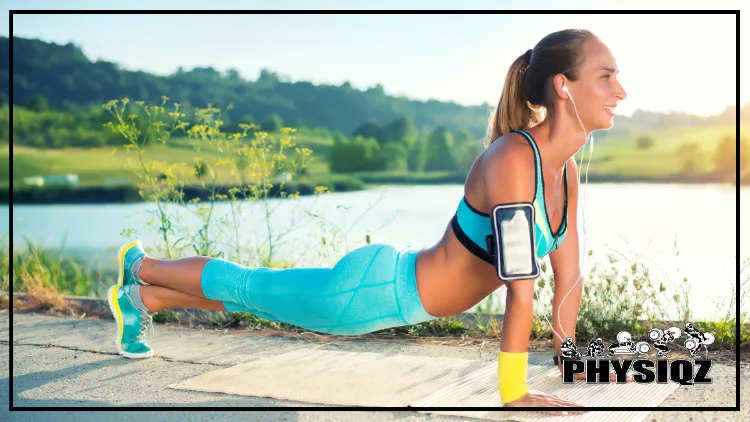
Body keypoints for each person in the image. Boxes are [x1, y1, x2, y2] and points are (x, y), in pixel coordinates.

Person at [106, 28, 627, 415]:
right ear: (563, 85)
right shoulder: (514, 159)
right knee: (249, 285)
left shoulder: (565, 175)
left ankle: (142, 299)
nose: (620, 91)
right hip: (369, 294)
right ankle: (143, 265)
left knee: (253, 295)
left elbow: (568, 282)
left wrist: (571, 364)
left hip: (386, 289)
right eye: (606, 76)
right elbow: (520, 287)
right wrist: (513, 392)